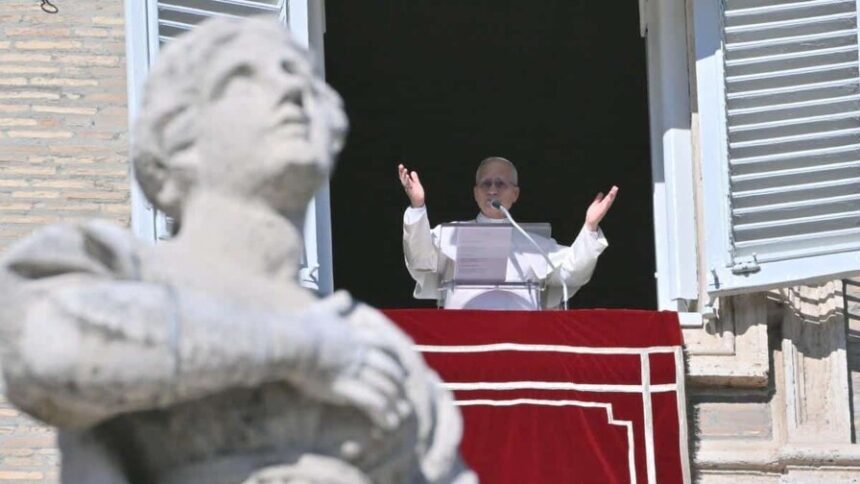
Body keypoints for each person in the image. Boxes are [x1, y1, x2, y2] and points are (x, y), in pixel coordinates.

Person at [0, 18, 473, 484]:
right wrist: (303, 347)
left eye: (302, 79)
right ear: (177, 136)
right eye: (243, 77)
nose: (292, 90)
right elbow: (44, 347)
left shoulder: (377, 343)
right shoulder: (110, 271)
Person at [398, 157, 618, 309]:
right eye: (486, 183)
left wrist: (589, 227)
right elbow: (420, 259)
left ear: (515, 194)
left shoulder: (533, 241)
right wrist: (417, 207)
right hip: (462, 335)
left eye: (500, 184)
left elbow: (571, 273)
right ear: (475, 192)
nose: (492, 189)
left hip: (520, 340)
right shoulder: (450, 235)